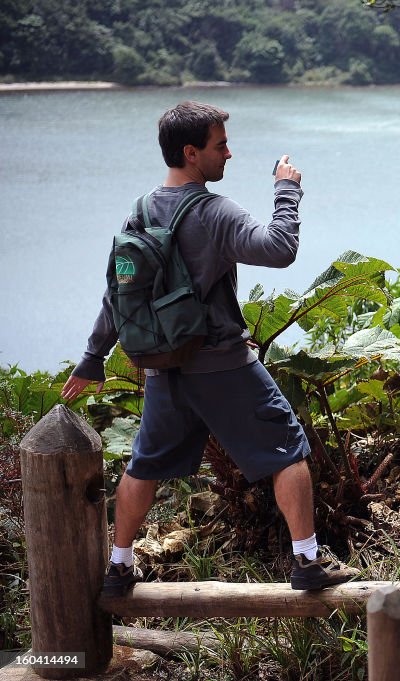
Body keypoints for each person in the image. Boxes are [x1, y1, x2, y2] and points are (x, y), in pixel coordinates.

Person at [61, 101, 357, 594]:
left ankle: (118, 567)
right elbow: (279, 249)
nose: (229, 154)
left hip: (163, 369)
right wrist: (287, 190)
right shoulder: (214, 212)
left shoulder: (140, 212)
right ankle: (306, 562)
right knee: (289, 451)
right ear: (192, 153)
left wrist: (94, 358)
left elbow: (120, 294)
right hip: (222, 366)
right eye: (221, 146)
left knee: (145, 466)